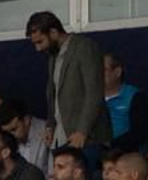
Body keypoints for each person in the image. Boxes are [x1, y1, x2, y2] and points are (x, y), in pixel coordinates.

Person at [26, 10, 110, 149]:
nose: (38, 48)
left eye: (40, 41)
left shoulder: (84, 47)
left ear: (53, 32)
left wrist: (82, 131)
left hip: (86, 138)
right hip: (61, 137)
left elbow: (94, 93)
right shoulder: (53, 56)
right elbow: (54, 95)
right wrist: (50, 125)